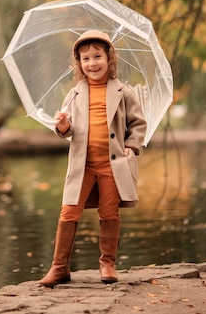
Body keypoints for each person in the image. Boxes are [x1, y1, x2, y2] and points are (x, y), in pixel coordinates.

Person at [39, 29, 147, 287]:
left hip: (112, 164)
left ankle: (107, 263)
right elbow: (68, 131)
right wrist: (64, 125)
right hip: (83, 165)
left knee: (109, 212)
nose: (92, 63)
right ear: (79, 63)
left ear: (109, 58)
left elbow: (138, 123)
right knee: (68, 211)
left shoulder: (124, 92)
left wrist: (131, 146)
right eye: (85, 59)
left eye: (97, 56)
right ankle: (59, 267)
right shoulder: (75, 94)